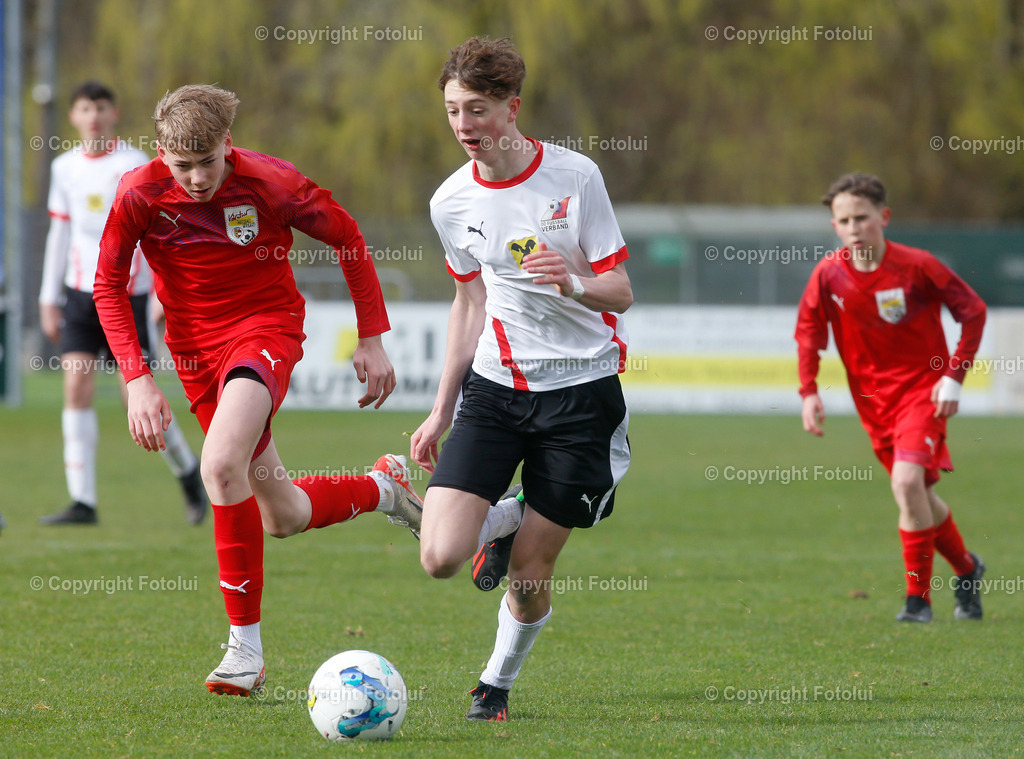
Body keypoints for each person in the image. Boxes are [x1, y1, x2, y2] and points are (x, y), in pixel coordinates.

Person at [93, 84, 422, 696]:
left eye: (207, 162)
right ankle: (384, 488)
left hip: (264, 331)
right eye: (181, 165)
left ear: (229, 143)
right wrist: (137, 378)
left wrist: (372, 337)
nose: (196, 179)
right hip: (194, 355)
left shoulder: (272, 183)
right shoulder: (138, 193)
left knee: (219, 465)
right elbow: (108, 285)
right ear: (161, 152)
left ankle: (244, 652)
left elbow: (348, 237)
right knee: (283, 515)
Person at [409, 37, 633, 721]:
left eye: (477, 109)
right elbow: (469, 302)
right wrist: (441, 409)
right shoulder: (451, 202)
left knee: (530, 576)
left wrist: (574, 282)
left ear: (512, 107)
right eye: (453, 110)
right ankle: (499, 518)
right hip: (496, 388)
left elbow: (621, 290)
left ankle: (494, 684)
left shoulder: (575, 176)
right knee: (440, 555)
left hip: (581, 394)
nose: (464, 125)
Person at [796, 172, 988, 623]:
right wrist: (809, 392)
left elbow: (973, 311)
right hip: (873, 404)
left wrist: (954, 377)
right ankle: (967, 569)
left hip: (923, 392)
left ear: (883, 217)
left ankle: (918, 601)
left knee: (905, 484)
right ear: (835, 226)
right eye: (844, 221)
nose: (854, 228)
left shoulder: (918, 266)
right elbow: (808, 332)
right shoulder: (828, 274)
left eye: (862, 218)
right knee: (916, 492)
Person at [38, 81, 207, 526]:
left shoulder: (134, 164)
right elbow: (60, 233)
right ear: (73, 117)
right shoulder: (64, 167)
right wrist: (48, 298)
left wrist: (161, 293)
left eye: (101, 107)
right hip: (79, 295)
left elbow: (159, 233)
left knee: (139, 397)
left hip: (127, 296)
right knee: (75, 387)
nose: (93, 116)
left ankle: (187, 472)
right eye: (84, 108)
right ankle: (83, 501)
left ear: (113, 114)